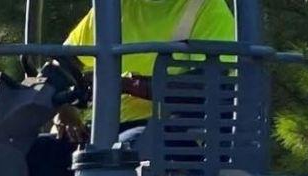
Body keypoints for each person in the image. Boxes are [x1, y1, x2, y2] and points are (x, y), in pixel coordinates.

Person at [62, 0, 237, 129]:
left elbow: (211, 84)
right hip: (97, 128)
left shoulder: (207, 7)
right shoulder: (114, 7)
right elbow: (64, 64)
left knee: (121, 156)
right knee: (41, 152)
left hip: (168, 132)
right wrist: (64, 107)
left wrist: (129, 85)